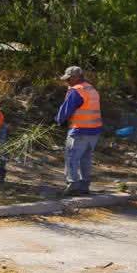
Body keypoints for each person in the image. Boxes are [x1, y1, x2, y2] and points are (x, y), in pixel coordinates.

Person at [54, 66, 101, 197]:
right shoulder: (91, 89)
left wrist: (58, 121)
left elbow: (65, 110)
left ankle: (73, 185)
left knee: (71, 157)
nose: (67, 81)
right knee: (85, 159)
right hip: (94, 131)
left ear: (76, 77)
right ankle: (84, 186)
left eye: (69, 79)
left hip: (80, 130)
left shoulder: (77, 91)